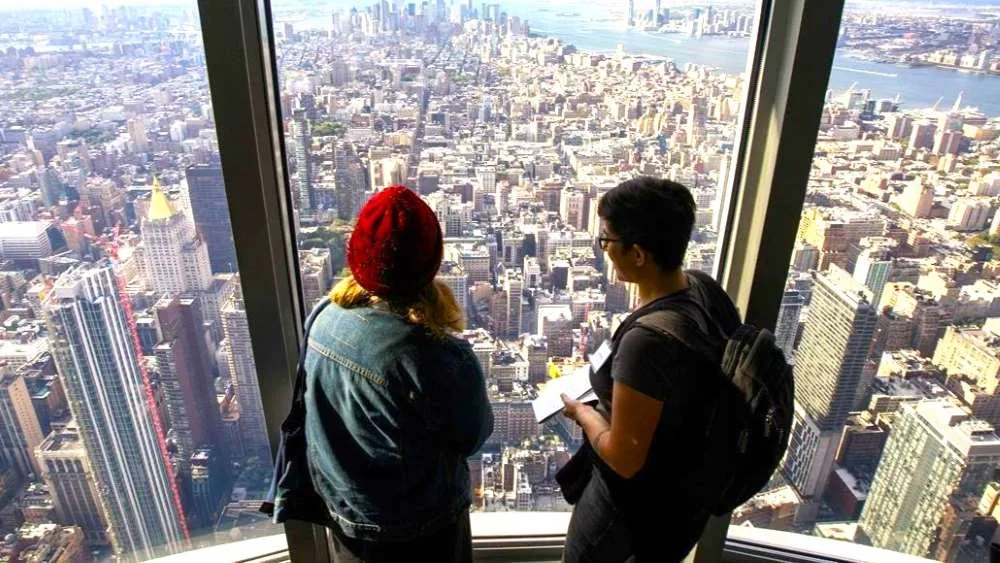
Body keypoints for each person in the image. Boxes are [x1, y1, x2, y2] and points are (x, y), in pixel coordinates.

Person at [304, 185, 493, 562]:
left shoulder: (323, 318)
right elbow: (473, 436)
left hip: (346, 517)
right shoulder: (439, 356)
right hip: (421, 531)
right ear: (431, 263)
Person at [560, 177, 742, 562]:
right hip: (680, 502)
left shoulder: (648, 343)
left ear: (638, 254)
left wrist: (584, 414)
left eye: (607, 240)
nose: (604, 249)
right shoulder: (702, 289)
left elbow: (624, 457)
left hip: (627, 515)